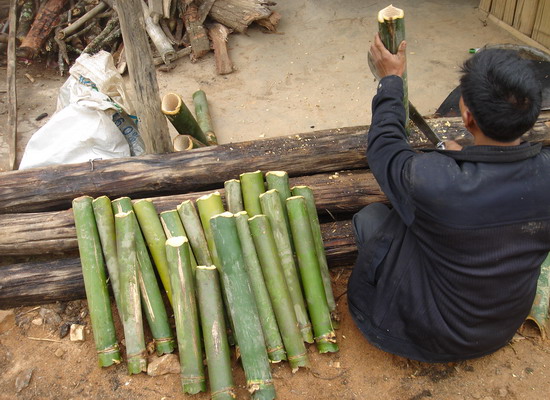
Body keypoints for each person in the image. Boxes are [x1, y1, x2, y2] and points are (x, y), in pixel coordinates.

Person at [347, 33, 550, 363]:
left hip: (420, 335)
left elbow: (384, 145)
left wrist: (391, 81)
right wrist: (469, 156)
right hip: (497, 331)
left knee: (372, 218)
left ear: (467, 117)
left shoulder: (434, 180)